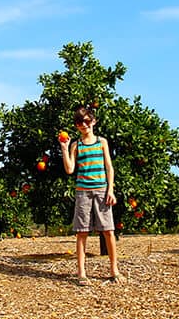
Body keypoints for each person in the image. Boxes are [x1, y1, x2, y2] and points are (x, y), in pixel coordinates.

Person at [59, 105, 124, 286]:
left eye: (87, 121)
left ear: (93, 122)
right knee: (82, 232)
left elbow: (109, 167)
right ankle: (81, 273)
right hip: (83, 192)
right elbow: (70, 169)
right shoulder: (76, 145)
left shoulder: (102, 142)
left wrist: (110, 190)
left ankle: (114, 270)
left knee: (108, 231)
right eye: (79, 122)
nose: (83, 125)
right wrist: (64, 149)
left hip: (102, 190)